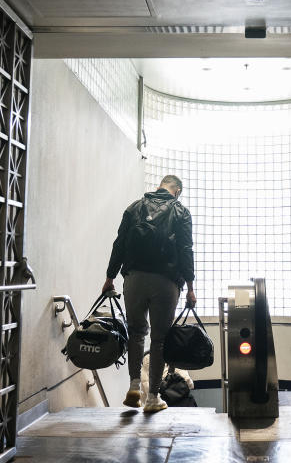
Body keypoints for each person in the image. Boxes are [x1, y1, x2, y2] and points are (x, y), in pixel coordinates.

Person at [103, 174, 195, 413]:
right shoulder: (181, 212)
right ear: (177, 191)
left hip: (134, 279)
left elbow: (119, 244)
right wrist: (191, 286)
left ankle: (134, 386)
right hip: (166, 282)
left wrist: (110, 277)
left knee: (136, 332)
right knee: (160, 339)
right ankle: (152, 397)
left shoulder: (134, 207)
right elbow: (186, 250)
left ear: (159, 187)